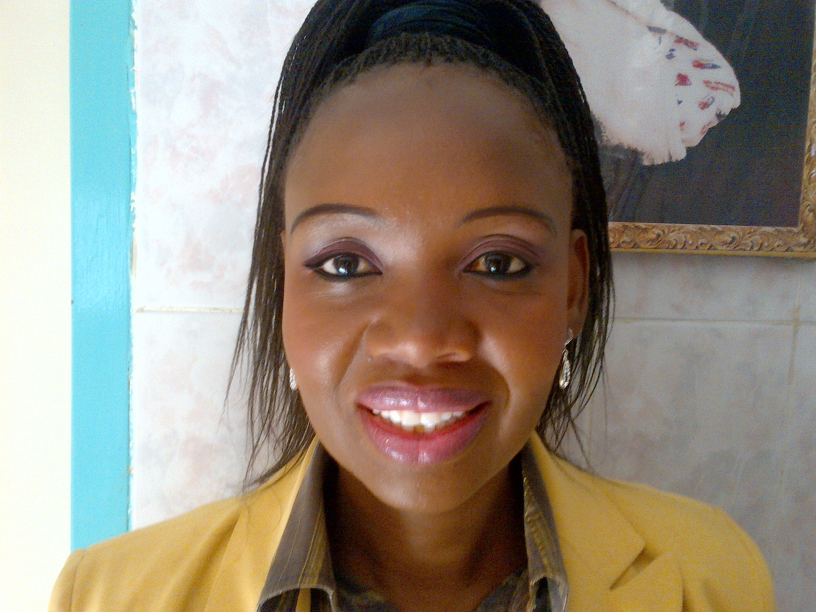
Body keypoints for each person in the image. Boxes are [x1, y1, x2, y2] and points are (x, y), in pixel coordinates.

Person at [49, 1, 775, 610]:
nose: (422, 340)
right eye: (345, 264)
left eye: (497, 263)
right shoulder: (112, 596)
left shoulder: (708, 577)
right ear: (284, 287)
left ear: (573, 291)